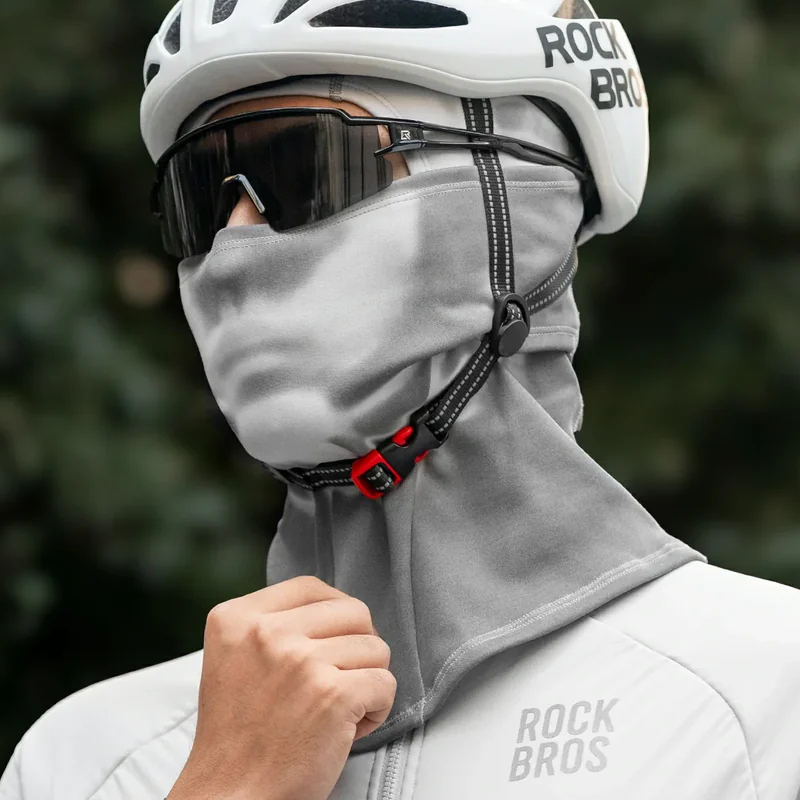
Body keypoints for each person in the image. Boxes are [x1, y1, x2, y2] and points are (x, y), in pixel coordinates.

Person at [2, 1, 800, 798]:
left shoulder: (762, 697)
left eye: (310, 169)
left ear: (517, 208)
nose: (235, 245)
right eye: (197, 197)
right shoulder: (87, 760)